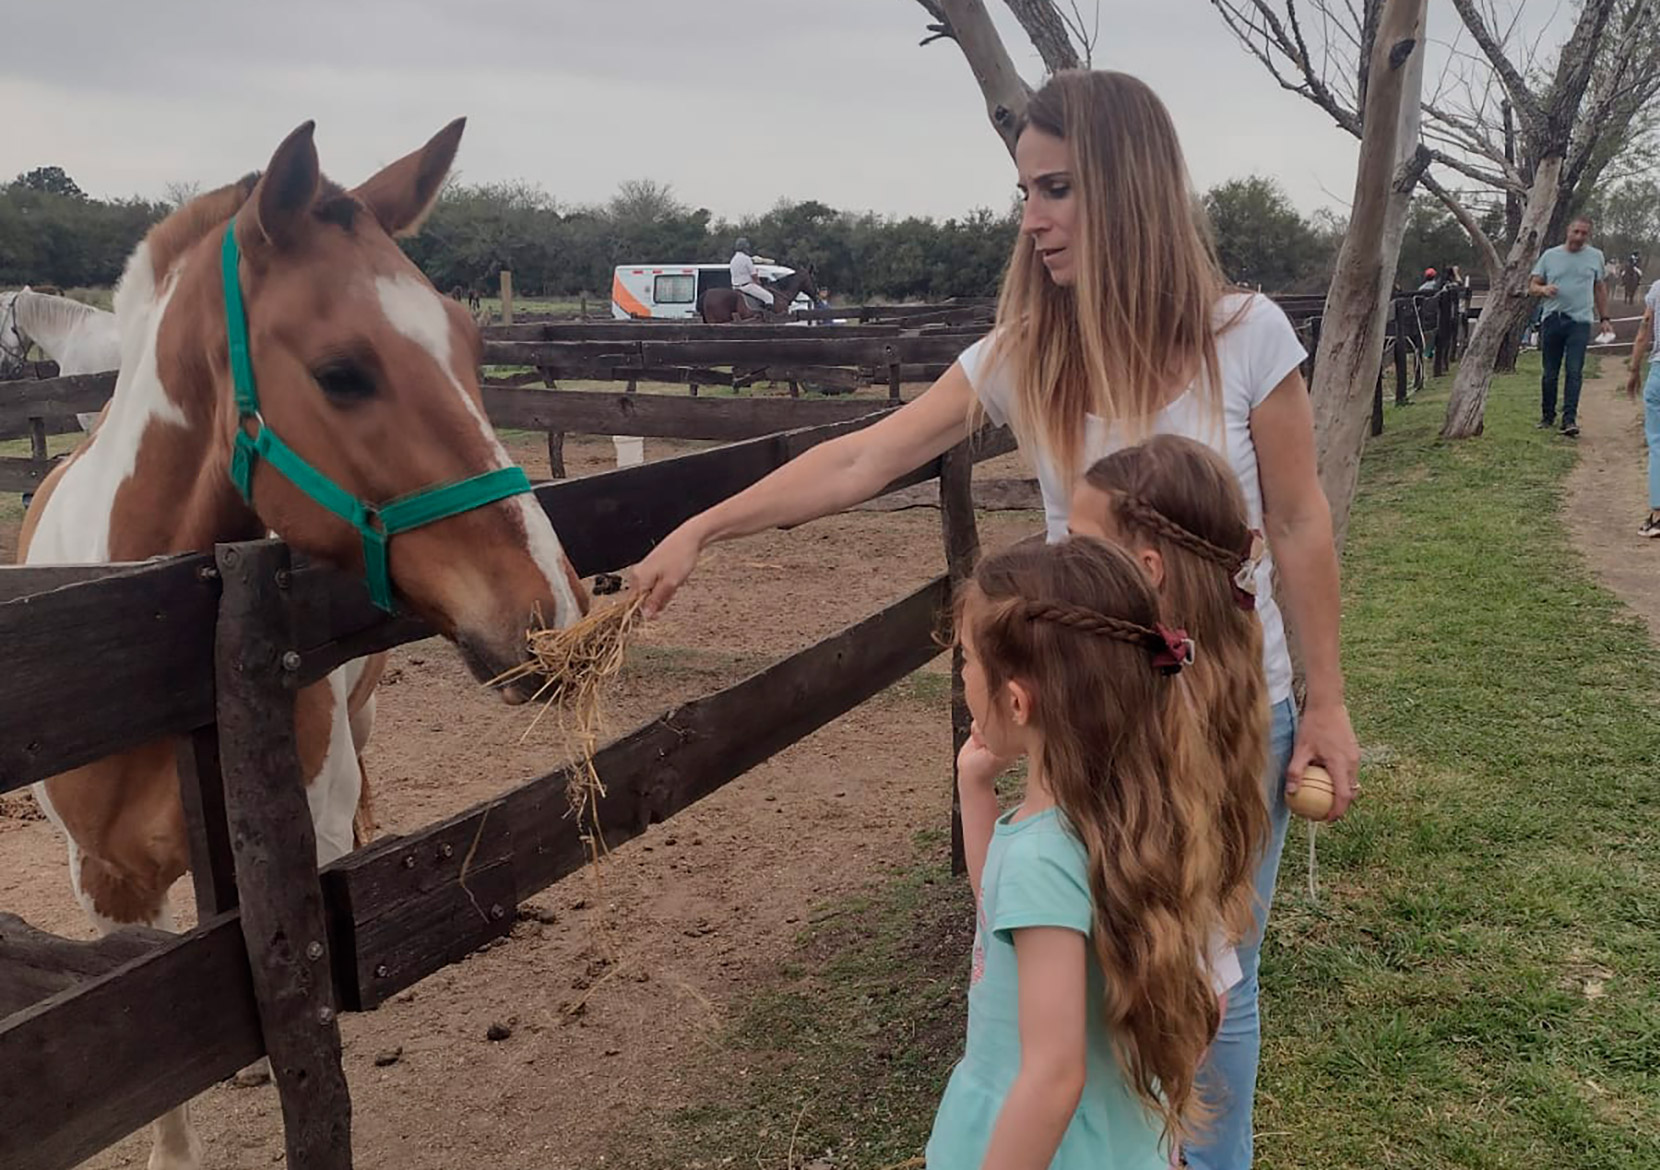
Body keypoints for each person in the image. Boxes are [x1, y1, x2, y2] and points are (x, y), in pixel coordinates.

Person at [631, 70, 1359, 1170]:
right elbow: (866, 456)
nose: (1033, 219)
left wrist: (1330, 708)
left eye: (1058, 189)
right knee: (1096, 967)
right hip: (1103, 720)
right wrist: (704, 526)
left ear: (1129, 186)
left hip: (1227, 719)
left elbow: (1299, 526)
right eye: (1025, 190)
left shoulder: (1247, 336)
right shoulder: (1029, 354)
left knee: (1214, 984)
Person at [934, 537, 1221, 1169]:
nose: (960, 679)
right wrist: (975, 790)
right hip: (1120, 1137)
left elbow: (1054, 1079)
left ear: (1016, 701)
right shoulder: (1132, 817)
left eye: (965, 666)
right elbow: (1000, 917)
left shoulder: (1044, 854)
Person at [1530, 217, 1612, 438]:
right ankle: (1548, 416)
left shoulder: (1595, 257)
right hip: (1553, 319)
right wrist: (1544, 289)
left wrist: (1605, 317)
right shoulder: (1550, 256)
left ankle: (1569, 419)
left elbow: (1600, 288)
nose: (1579, 237)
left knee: (1574, 371)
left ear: (1588, 235)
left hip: (1580, 321)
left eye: (1584, 233)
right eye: (1575, 231)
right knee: (1550, 372)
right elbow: (1533, 285)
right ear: (1568, 231)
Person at [1623, 275, 1660, 537]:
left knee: (1657, 442)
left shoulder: (1658, 288)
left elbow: (1644, 330)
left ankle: (1658, 513)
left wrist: (1634, 369)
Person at [729, 236, 774, 316]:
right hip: (747, 286)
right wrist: (759, 283)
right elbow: (754, 275)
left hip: (735, 287)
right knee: (769, 297)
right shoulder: (746, 259)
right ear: (744, 248)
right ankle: (768, 318)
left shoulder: (733, 259)